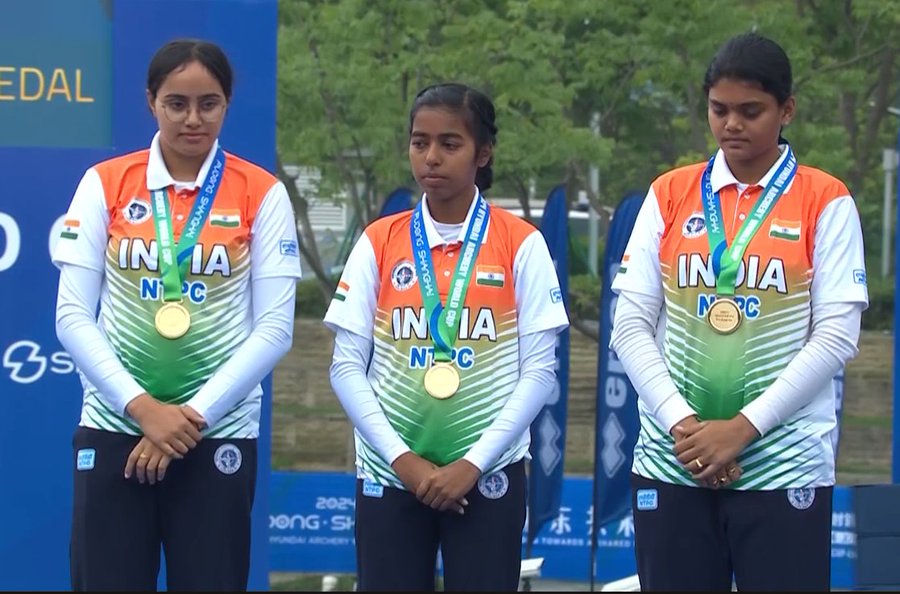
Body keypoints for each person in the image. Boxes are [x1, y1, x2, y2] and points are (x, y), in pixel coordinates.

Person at [610, 32, 868, 591]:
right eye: (719, 110)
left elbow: (836, 338)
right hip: (673, 459)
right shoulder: (671, 192)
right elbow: (630, 325)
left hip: (784, 465)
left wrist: (740, 431)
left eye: (751, 111)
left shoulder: (826, 199)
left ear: (787, 109)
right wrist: (688, 427)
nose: (732, 125)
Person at [53, 38, 302, 591]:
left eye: (208, 104)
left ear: (227, 104)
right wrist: (144, 410)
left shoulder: (263, 193)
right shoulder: (105, 183)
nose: (193, 119)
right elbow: (72, 315)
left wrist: (187, 420)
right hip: (116, 426)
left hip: (218, 433)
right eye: (177, 104)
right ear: (151, 102)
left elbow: (274, 329)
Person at [323, 83, 569, 591]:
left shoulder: (521, 243)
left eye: (449, 144)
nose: (431, 157)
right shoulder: (379, 240)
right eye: (419, 142)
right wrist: (405, 463)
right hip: (391, 473)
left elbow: (540, 371)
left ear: (483, 152)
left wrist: (472, 465)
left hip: (489, 475)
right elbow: (346, 366)